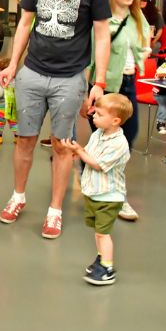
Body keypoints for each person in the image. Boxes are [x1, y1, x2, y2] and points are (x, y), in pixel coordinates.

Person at [0, 0, 111, 239]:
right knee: (24, 139)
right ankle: (18, 196)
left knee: (63, 146)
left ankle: (55, 211)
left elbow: (102, 36)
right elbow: (24, 23)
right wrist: (12, 64)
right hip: (32, 73)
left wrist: (98, 82)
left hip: (70, 77)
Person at [88, 0, 151, 222]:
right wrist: (89, 90)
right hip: (104, 85)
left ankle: (96, 178)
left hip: (128, 83)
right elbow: (90, 55)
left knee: (129, 135)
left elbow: (143, 41)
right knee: (105, 142)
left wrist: (143, 55)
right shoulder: (101, 19)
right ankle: (114, 196)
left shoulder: (137, 17)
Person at [61, 93, 132, 286]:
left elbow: (98, 164)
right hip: (95, 193)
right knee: (98, 232)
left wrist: (79, 152)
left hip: (109, 196)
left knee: (103, 233)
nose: (94, 116)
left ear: (115, 120)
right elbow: (90, 153)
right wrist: (79, 152)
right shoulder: (98, 134)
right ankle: (101, 259)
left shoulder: (119, 144)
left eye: (99, 114)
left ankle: (107, 268)